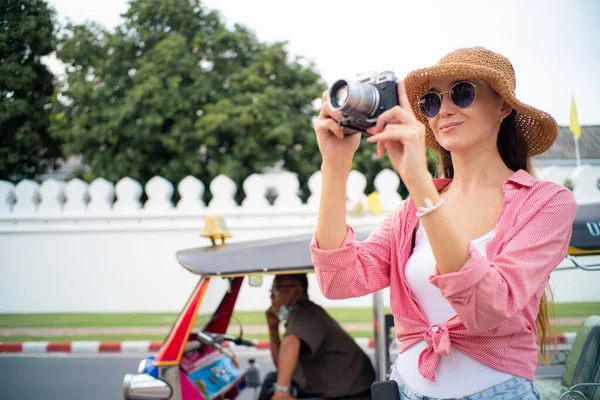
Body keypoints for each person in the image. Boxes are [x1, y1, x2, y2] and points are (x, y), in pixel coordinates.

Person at [310, 47, 578, 400]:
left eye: (462, 92)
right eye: (431, 103)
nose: (445, 109)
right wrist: (335, 165)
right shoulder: (411, 212)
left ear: (503, 105)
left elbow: (488, 307)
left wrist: (419, 182)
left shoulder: (546, 202)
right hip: (404, 389)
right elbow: (340, 280)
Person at [257, 273, 375, 400]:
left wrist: (281, 392)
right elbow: (281, 367)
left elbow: (291, 341)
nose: (271, 296)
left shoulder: (306, 314)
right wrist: (273, 328)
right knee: (271, 380)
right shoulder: (299, 314)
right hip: (337, 388)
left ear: (296, 290)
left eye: (277, 289)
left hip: (349, 394)